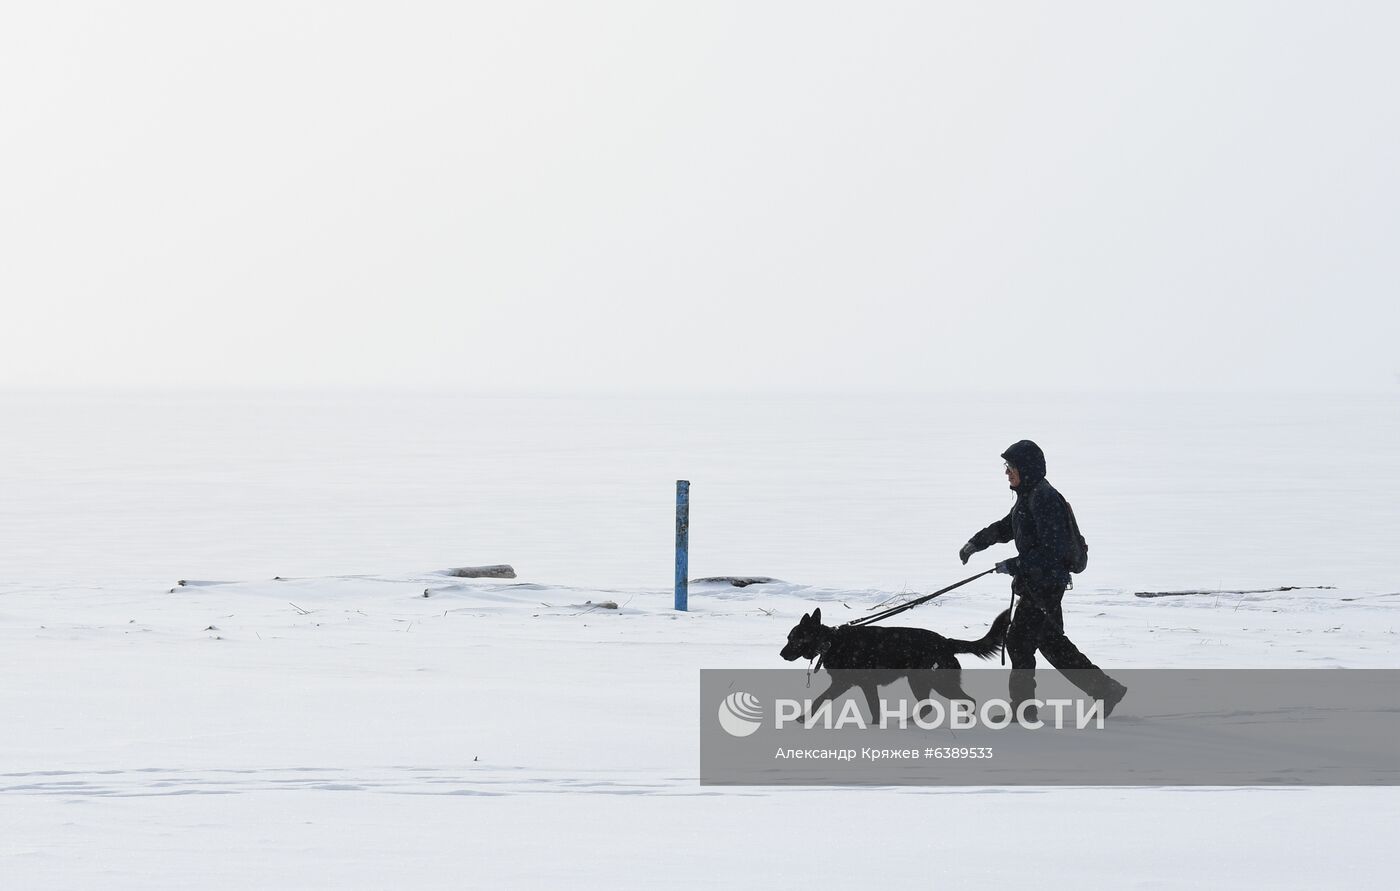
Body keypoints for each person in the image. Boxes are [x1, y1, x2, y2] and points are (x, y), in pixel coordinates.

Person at [959, 440, 1127, 720]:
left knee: (1018, 642)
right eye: (1006, 466)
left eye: (1010, 467)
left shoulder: (1045, 499)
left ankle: (1024, 711)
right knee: (1051, 644)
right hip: (1039, 583)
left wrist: (1013, 565)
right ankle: (1105, 689)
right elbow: (1006, 527)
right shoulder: (1030, 496)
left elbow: (1052, 552)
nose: (1006, 472)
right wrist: (976, 543)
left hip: (1046, 585)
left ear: (1027, 468)